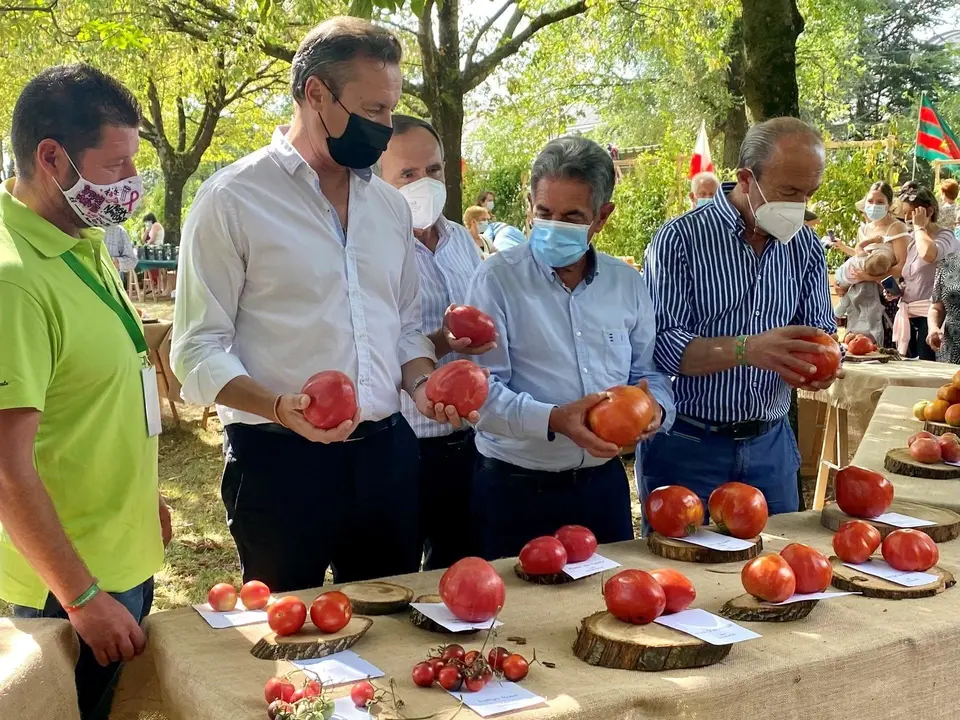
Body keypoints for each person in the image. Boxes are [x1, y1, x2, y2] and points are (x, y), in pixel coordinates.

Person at [171, 18, 469, 592]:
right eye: (374, 110)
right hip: (279, 463)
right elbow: (196, 348)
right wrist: (280, 407)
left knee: (390, 627)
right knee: (288, 640)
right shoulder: (232, 200)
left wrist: (422, 385)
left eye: (390, 109)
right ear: (315, 95)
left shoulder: (388, 208)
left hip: (386, 457)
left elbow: (405, 326)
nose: (385, 127)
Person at [0, 65, 168, 720]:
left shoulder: (82, 240)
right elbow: (9, 473)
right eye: (117, 165)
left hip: (119, 562)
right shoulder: (14, 280)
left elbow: (92, 398)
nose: (130, 185)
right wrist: (80, 597)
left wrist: (140, 495)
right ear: (51, 157)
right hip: (69, 590)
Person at [465, 136, 675, 560]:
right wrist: (555, 420)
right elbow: (479, 393)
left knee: (613, 610)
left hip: (601, 490)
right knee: (513, 621)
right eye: (544, 213)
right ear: (529, 204)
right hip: (514, 490)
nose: (553, 226)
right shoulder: (496, 281)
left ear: (602, 217)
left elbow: (647, 372)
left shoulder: (626, 284)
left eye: (571, 216)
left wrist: (655, 410)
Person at [642, 117, 840, 518]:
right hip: (688, 445)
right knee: (683, 572)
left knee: (782, 568)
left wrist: (819, 366)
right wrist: (748, 350)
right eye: (788, 192)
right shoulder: (680, 240)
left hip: (772, 446)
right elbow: (662, 346)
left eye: (808, 193)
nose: (799, 206)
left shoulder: (804, 247)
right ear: (746, 178)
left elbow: (822, 333)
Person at [378, 114, 492, 570]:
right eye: (407, 174)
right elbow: (371, 348)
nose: (423, 182)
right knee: (395, 573)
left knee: (459, 565)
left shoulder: (461, 242)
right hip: (402, 441)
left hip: (466, 440)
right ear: (378, 179)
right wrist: (444, 342)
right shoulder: (374, 249)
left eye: (434, 170)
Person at [832, 182, 911, 350]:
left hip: (886, 295)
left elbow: (901, 267)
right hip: (859, 297)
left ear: (889, 204)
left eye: (880, 202)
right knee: (857, 346)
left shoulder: (897, 228)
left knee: (881, 347)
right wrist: (845, 284)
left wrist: (869, 277)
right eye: (871, 201)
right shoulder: (864, 229)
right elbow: (859, 257)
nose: (874, 206)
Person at [891, 185, 960, 359]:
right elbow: (912, 276)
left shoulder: (946, 236)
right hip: (909, 317)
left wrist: (920, 228)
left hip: (931, 321)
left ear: (928, 211)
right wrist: (897, 290)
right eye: (904, 213)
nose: (907, 218)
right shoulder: (914, 240)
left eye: (911, 213)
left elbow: (929, 254)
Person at [834, 244, 896, 345]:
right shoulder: (860, 280)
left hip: (864, 327)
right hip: (863, 327)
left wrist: (836, 315)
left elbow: (843, 303)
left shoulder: (856, 276)